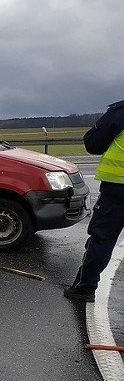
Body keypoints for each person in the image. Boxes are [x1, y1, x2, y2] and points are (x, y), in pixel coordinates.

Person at [65, 99, 124, 302]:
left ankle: (84, 288)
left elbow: (93, 143)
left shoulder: (120, 112)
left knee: (102, 239)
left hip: (118, 188)